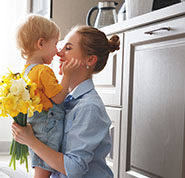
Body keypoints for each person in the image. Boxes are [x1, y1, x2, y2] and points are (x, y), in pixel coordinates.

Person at [12, 25, 120, 178]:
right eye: (61, 47)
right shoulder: (62, 101)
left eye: (68, 48)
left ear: (90, 60)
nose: (59, 53)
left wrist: (31, 140)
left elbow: (74, 169)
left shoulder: (89, 107)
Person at [15, 14, 80, 178]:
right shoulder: (43, 70)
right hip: (48, 128)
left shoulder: (25, 72)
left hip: (37, 126)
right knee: (44, 170)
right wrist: (67, 76)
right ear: (41, 43)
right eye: (56, 44)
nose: (57, 51)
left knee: (40, 169)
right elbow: (58, 97)